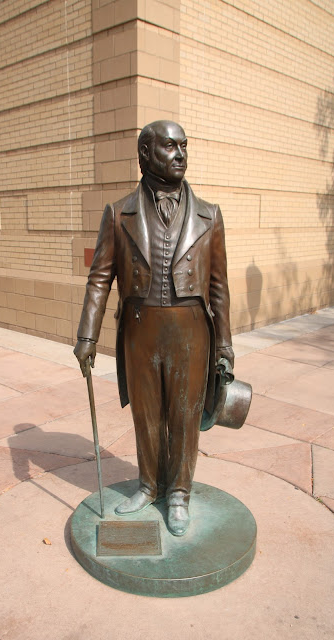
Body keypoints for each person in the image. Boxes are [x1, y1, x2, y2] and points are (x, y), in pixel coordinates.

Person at [74, 120, 234, 536]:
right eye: (169, 146)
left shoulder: (209, 215)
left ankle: (178, 493)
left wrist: (225, 346)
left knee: (184, 414)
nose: (180, 154)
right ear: (145, 154)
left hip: (191, 332)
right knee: (146, 413)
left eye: (184, 145)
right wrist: (87, 336)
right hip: (139, 332)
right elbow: (99, 279)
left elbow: (219, 287)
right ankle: (148, 485)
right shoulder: (118, 213)